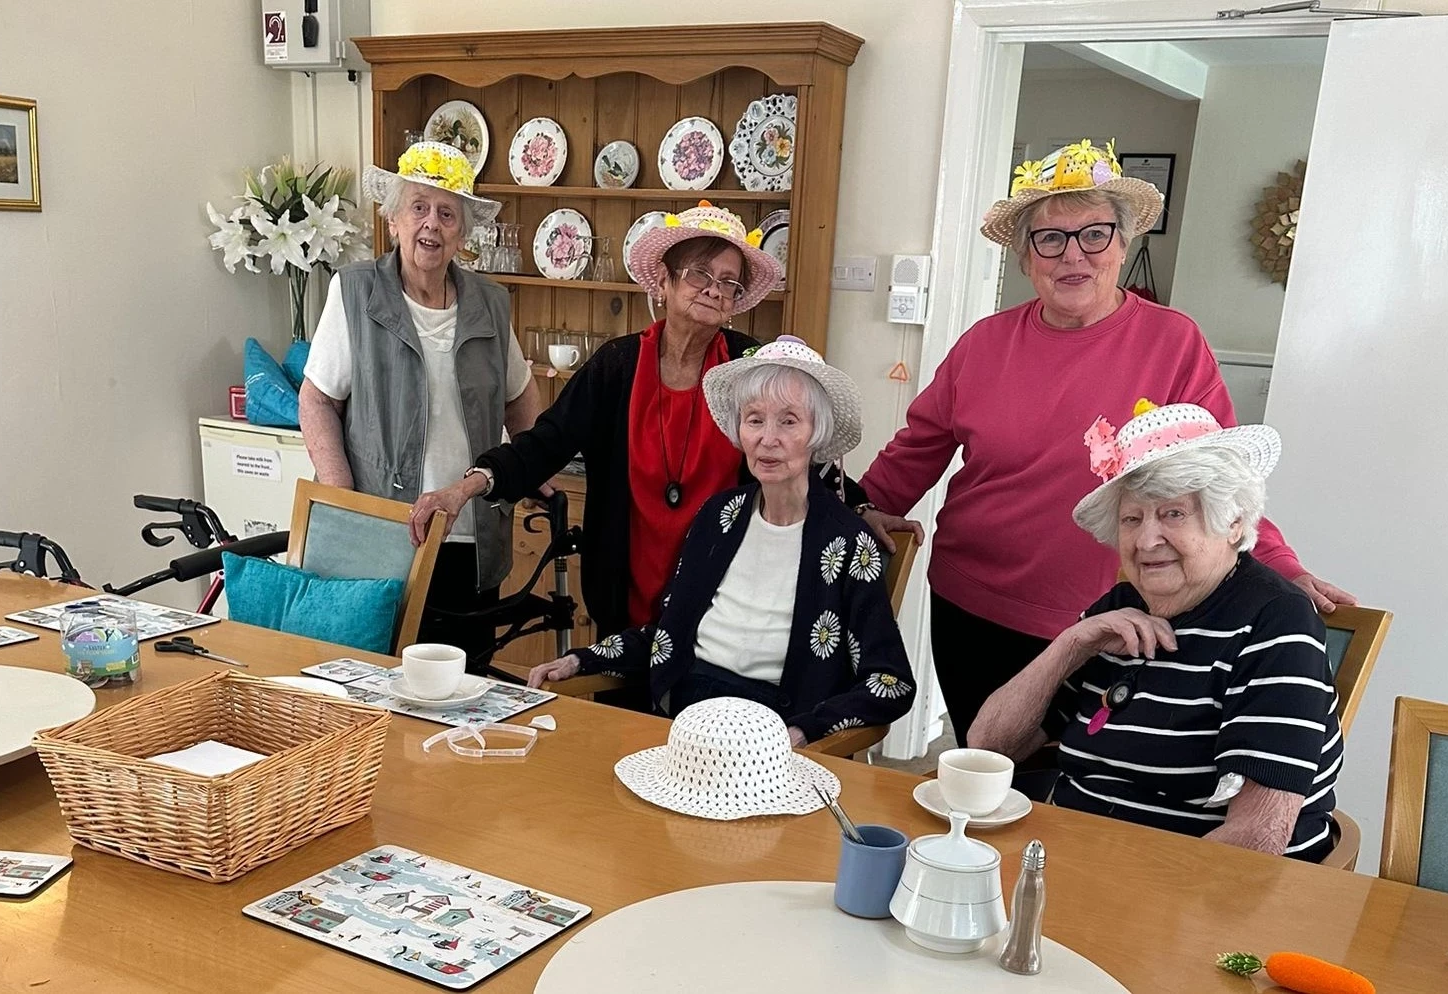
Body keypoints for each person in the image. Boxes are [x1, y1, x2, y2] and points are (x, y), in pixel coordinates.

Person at [854, 139, 1353, 740]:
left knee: (1084, 783)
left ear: (1122, 246)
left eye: (1095, 234)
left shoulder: (1172, 342)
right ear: (1025, 256)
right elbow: (917, 449)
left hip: (1115, 611)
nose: (1075, 255)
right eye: (1051, 238)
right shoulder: (982, 344)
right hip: (973, 605)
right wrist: (862, 508)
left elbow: (1221, 468)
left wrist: (1278, 563)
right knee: (987, 769)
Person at [416, 202, 811, 645]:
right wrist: (466, 486)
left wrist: (863, 508)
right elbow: (548, 442)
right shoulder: (618, 366)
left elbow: (796, 450)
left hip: (726, 609)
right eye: (700, 273)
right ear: (664, 280)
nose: (714, 290)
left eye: (728, 282)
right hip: (624, 601)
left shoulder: (747, 366)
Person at [969, 401, 1341, 862]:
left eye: (1173, 514)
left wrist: (1125, 901)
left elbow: (1256, 838)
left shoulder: (1277, 623)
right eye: (1132, 519)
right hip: (1078, 857)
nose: (1146, 541)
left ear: (1234, 522)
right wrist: (1070, 645)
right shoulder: (1120, 607)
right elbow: (988, 746)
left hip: (1196, 888)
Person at [527, 338, 915, 745]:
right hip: (685, 718)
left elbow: (890, 681)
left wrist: (805, 729)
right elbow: (666, 634)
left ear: (816, 433)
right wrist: (581, 659)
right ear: (738, 430)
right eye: (754, 419)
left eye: (788, 421)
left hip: (774, 731)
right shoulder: (719, 517)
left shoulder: (849, 543)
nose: (768, 438)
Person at [298, 142, 540, 662]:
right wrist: (343, 495)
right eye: (419, 207)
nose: (432, 224)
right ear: (394, 220)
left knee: (464, 681)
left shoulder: (490, 303)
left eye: (447, 213)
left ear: (463, 232)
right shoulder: (356, 292)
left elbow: (520, 399)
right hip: (382, 532)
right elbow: (316, 400)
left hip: (469, 530)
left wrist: (530, 465)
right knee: (378, 678)